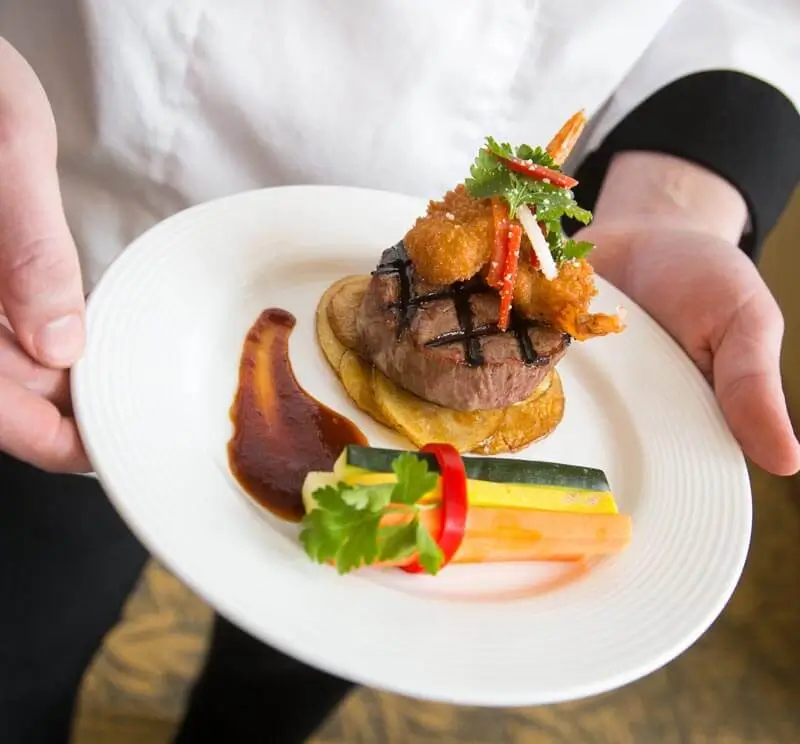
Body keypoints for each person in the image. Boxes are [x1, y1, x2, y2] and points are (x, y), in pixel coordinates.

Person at [1, 1, 798, 742]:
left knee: (296, 670)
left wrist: (674, 205)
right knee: (21, 641)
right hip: (74, 232)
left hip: (476, 268)